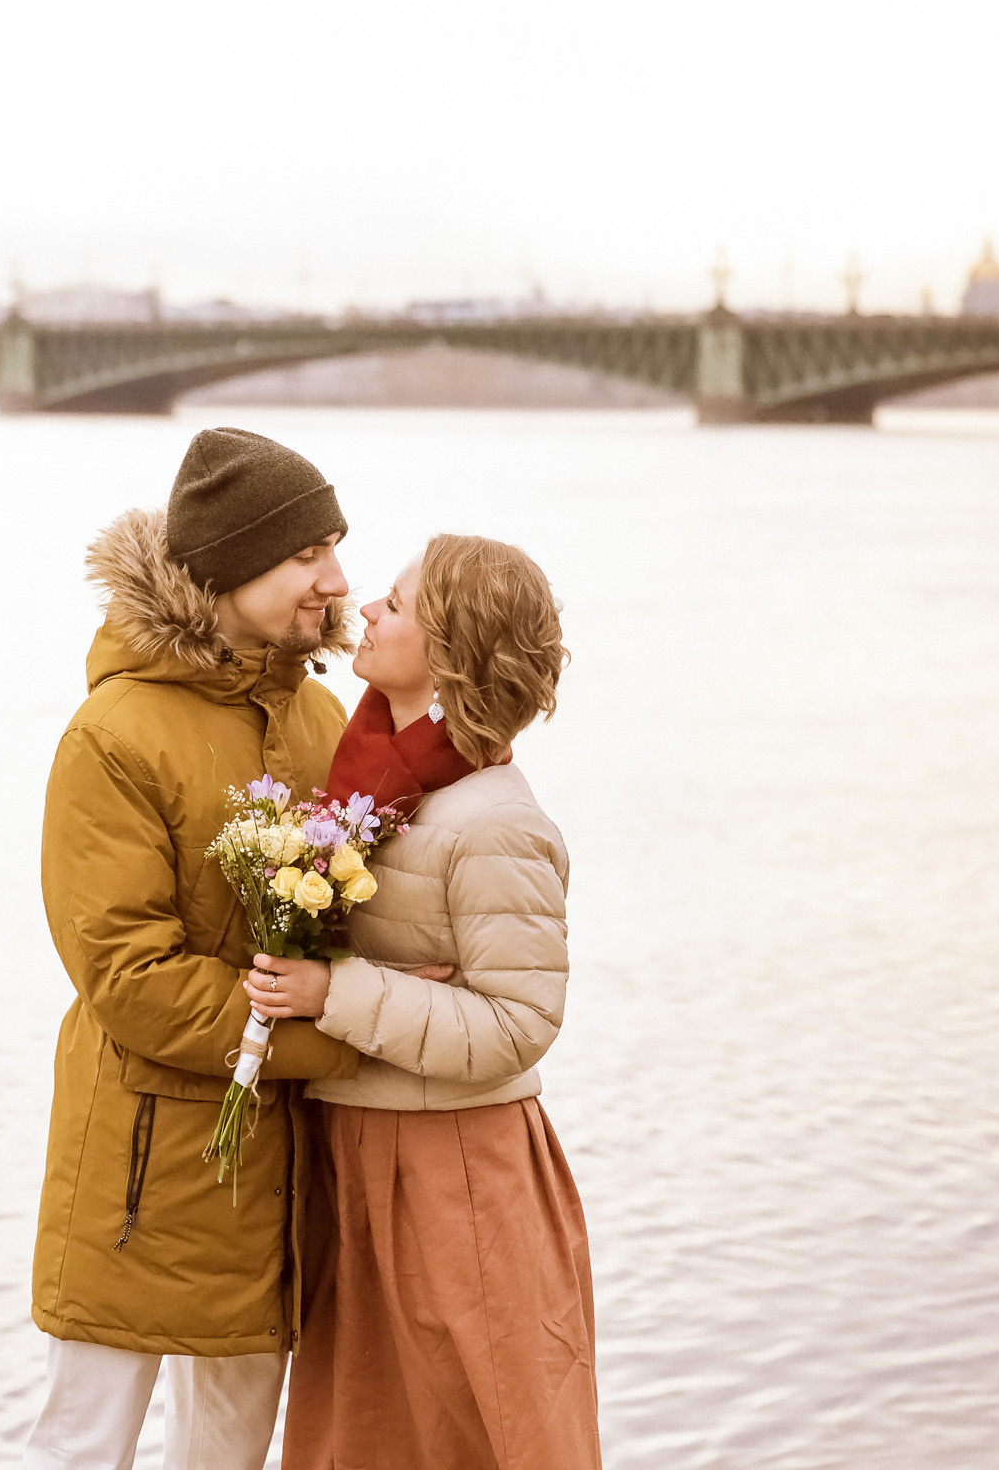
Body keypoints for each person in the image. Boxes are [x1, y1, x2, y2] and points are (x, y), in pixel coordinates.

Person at [24, 427, 363, 1470]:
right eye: (308, 553)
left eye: (335, 549)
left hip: (272, 1177)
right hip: (135, 1176)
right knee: (82, 1449)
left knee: (229, 1460)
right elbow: (130, 978)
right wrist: (336, 1036)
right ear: (232, 565)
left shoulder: (322, 716)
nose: (336, 579)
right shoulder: (115, 734)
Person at [244, 534, 600, 1470]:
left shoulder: (494, 821)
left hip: (458, 1175)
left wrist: (337, 991)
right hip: (358, 1156)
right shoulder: (371, 785)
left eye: (394, 606)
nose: (364, 608)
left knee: (489, 1434)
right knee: (366, 1440)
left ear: (449, 654)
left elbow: (519, 1025)